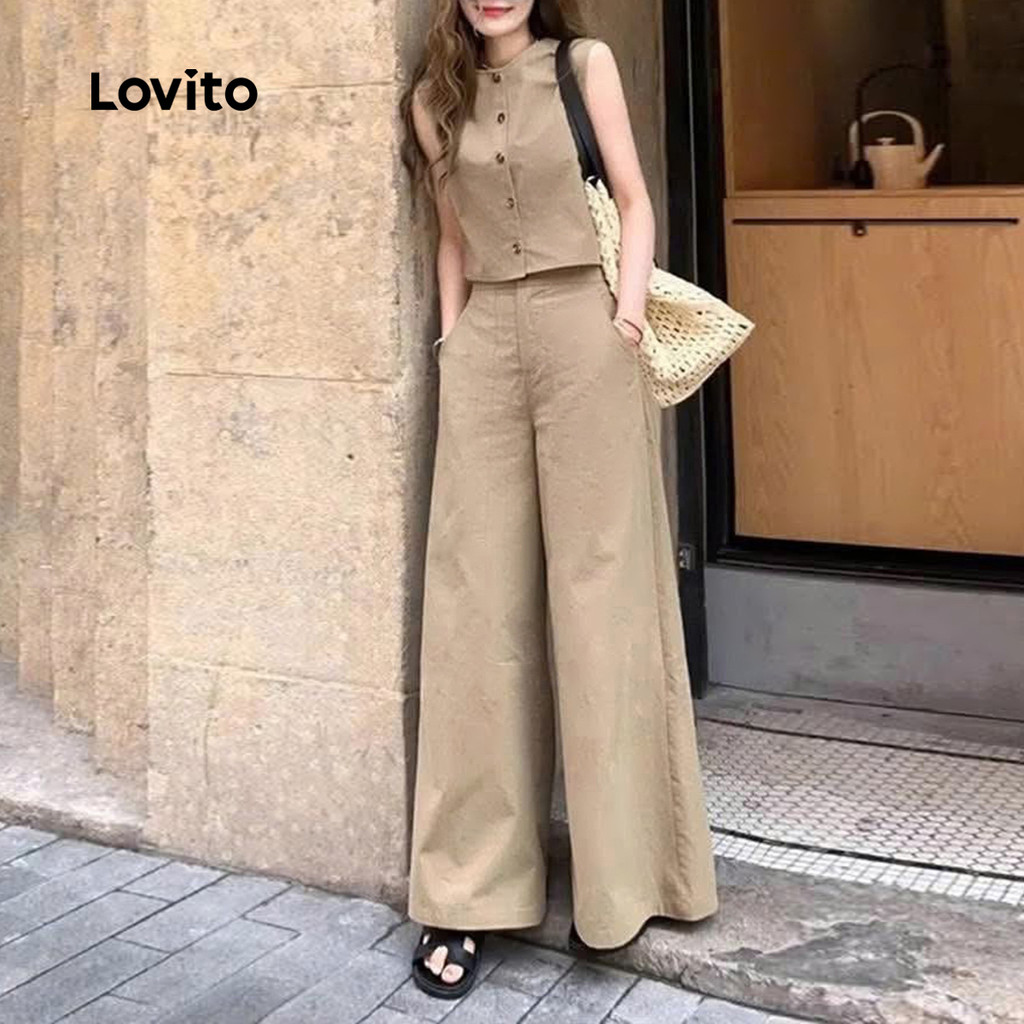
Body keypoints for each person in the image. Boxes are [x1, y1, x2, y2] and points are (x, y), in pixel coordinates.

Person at [398, 0, 718, 1000]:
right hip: (486, 346)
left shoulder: (585, 64)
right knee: (474, 611)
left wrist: (625, 316)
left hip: (588, 330)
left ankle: (629, 878)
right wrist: (453, 344)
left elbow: (633, 199)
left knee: (601, 598)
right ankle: (466, 894)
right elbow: (451, 238)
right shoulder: (434, 100)